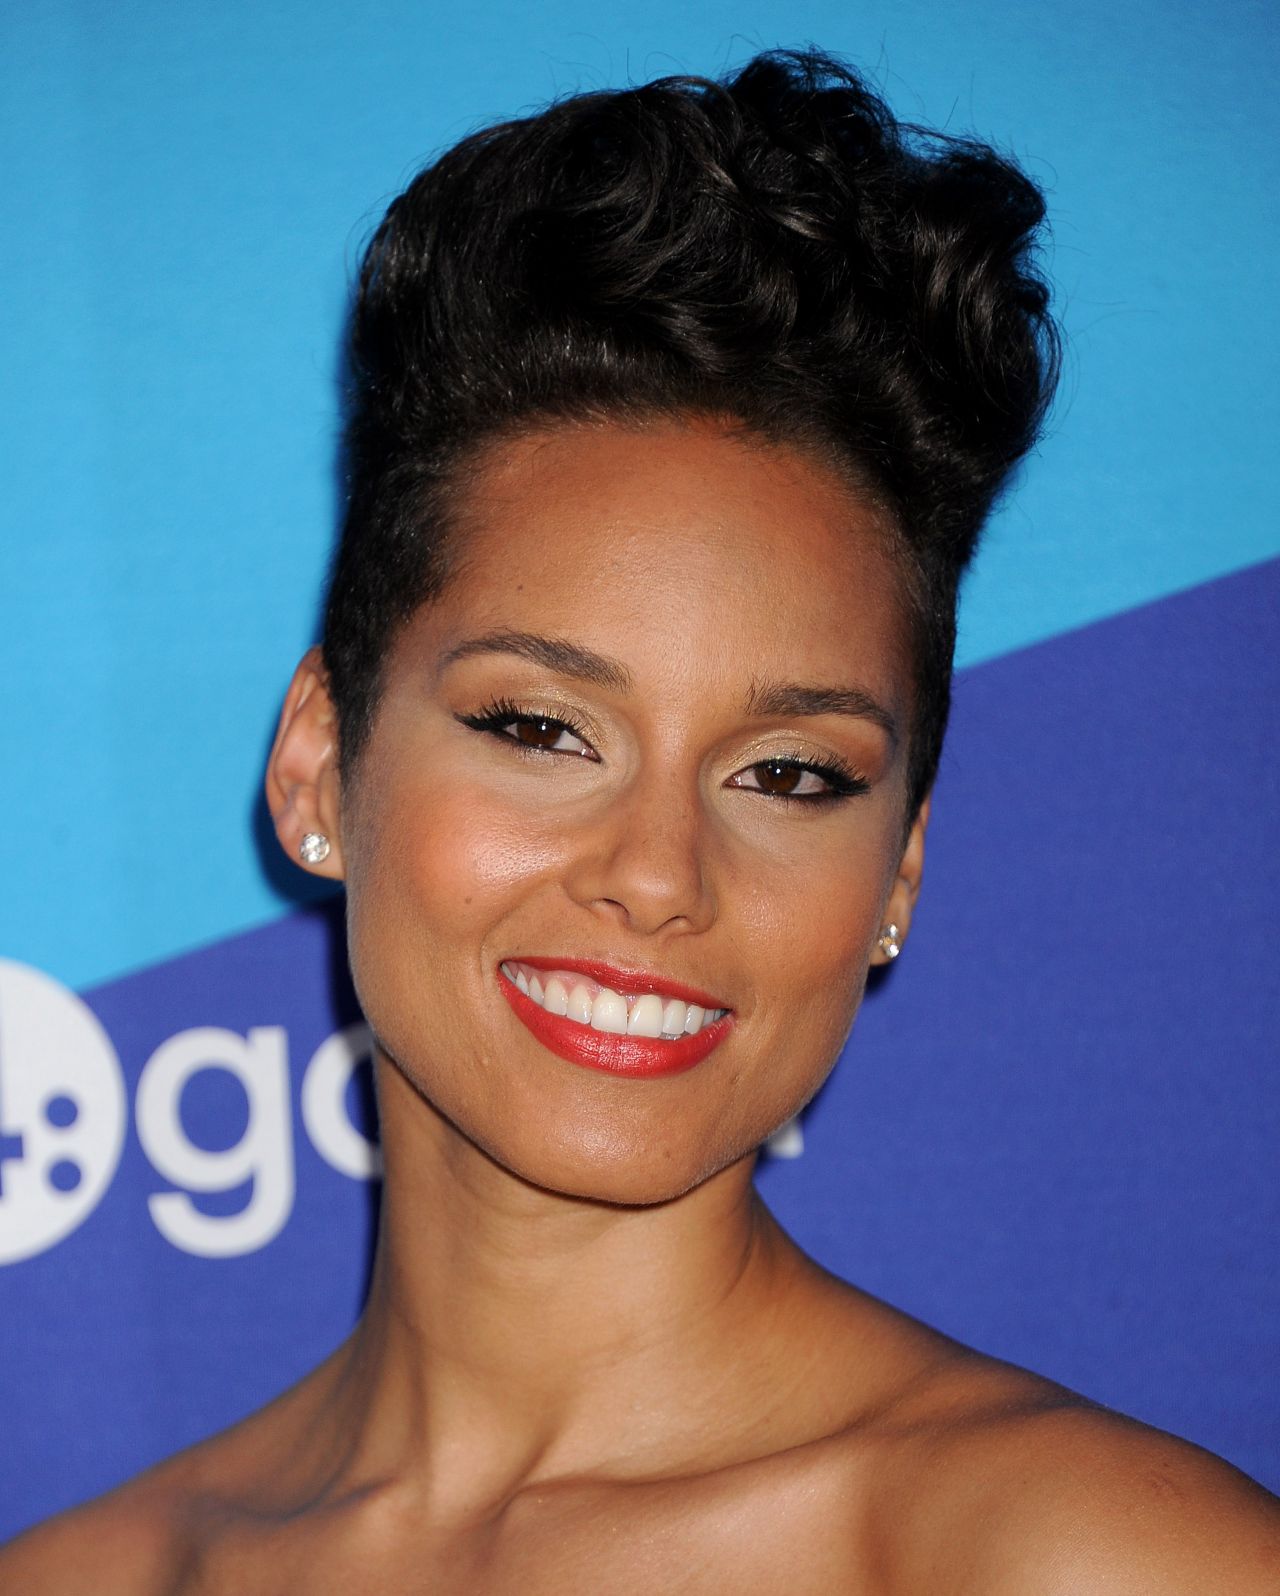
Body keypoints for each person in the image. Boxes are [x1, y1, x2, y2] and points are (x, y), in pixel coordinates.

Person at [4, 46, 1277, 1593]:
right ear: (320, 762)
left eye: (789, 774)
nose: (660, 875)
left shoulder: (1088, 1560)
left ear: (901, 867)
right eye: (544, 730)